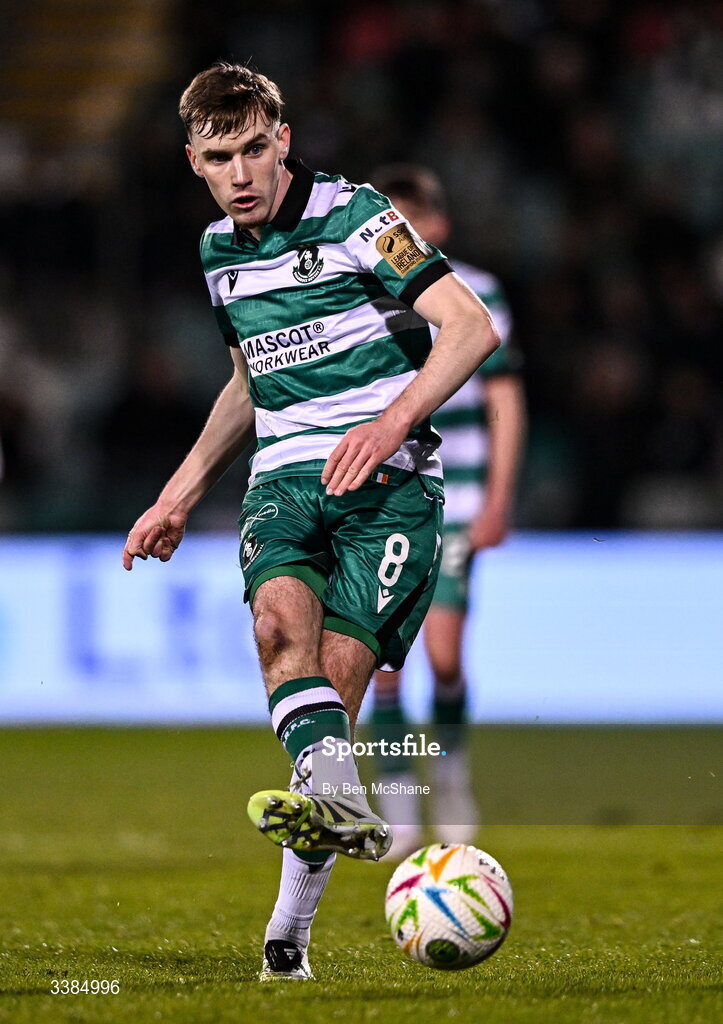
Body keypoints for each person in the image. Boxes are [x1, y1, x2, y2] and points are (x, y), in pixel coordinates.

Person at [122, 63, 499, 981]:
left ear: (282, 138)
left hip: (391, 486)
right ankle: (304, 897)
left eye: (255, 146)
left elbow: (468, 327)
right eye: (221, 157)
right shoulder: (219, 253)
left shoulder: (358, 214)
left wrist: (390, 420)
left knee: (332, 691)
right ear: (194, 163)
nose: (242, 170)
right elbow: (249, 382)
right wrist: (177, 494)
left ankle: (287, 933)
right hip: (286, 481)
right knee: (273, 633)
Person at [369, 165, 526, 859]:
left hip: (455, 497)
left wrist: (497, 497)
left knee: (443, 655)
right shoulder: (358, 293)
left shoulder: (477, 290)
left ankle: (452, 773)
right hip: (381, 495)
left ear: (435, 227)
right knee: (384, 666)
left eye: (409, 222)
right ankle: (402, 802)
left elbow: (503, 398)